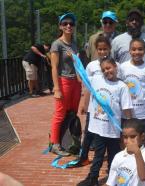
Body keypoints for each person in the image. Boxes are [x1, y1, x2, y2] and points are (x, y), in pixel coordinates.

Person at [77, 57, 133, 186]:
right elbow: (82, 77)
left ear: (115, 67)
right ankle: (92, 178)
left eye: (109, 68)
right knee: (98, 155)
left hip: (113, 130)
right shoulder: (96, 80)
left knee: (114, 156)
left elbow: (126, 109)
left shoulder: (122, 87)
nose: (107, 71)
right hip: (98, 128)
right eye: (103, 70)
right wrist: (75, 60)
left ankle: (113, 179)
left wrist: (128, 129)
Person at [77, 34, 112, 166]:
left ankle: (110, 158)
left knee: (107, 132)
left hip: (108, 106)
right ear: (96, 50)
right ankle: (83, 156)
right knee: (89, 131)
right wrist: (84, 105)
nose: (102, 52)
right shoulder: (91, 66)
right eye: (100, 49)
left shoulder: (114, 64)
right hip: (93, 106)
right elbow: (87, 87)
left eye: (105, 49)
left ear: (109, 49)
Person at [49, 13, 81, 156]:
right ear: (60, 26)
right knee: (60, 113)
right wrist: (56, 88)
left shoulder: (74, 44)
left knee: (72, 113)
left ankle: (68, 141)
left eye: (71, 23)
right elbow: (54, 67)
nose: (68, 26)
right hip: (64, 82)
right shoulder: (57, 44)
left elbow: (77, 65)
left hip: (75, 82)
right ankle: (55, 144)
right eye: (65, 23)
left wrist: (80, 81)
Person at [105, 118, 145, 186]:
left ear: (142, 136)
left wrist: (137, 152)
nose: (128, 141)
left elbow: (143, 177)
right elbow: (110, 183)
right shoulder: (118, 156)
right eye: (125, 137)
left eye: (133, 137)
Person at [119, 38, 145, 133]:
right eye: (134, 49)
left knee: (143, 138)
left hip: (144, 113)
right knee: (127, 139)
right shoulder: (123, 67)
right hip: (126, 113)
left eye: (140, 49)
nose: (137, 52)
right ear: (129, 51)